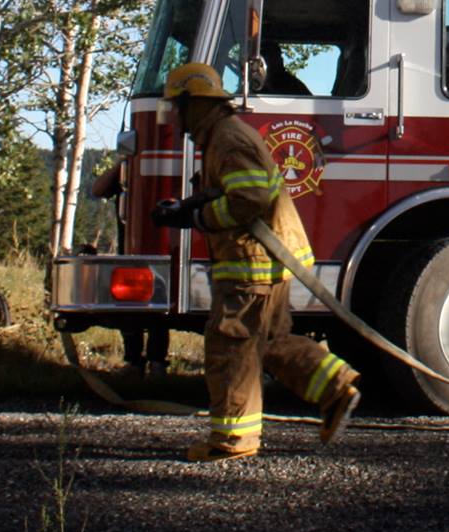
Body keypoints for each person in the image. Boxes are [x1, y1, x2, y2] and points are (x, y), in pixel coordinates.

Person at [152, 61, 360, 462]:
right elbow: (232, 191)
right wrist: (188, 206)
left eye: (175, 108)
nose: (173, 118)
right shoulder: (221, 136)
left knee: (231, 346)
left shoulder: (228, 139)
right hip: (265, 260)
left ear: (193, 103)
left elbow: (249, 200)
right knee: (270, 343)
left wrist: (196, 217)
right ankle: (336, 388)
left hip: (251, 264)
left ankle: (231, 442)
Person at [89, 158, 169, 375]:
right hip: (133, 249)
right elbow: (98, 189)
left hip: (163, 251)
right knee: (132, 310)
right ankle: (136, 361)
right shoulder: (130, 167)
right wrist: (124, 163)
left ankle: (155, 362)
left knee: (158, 311)